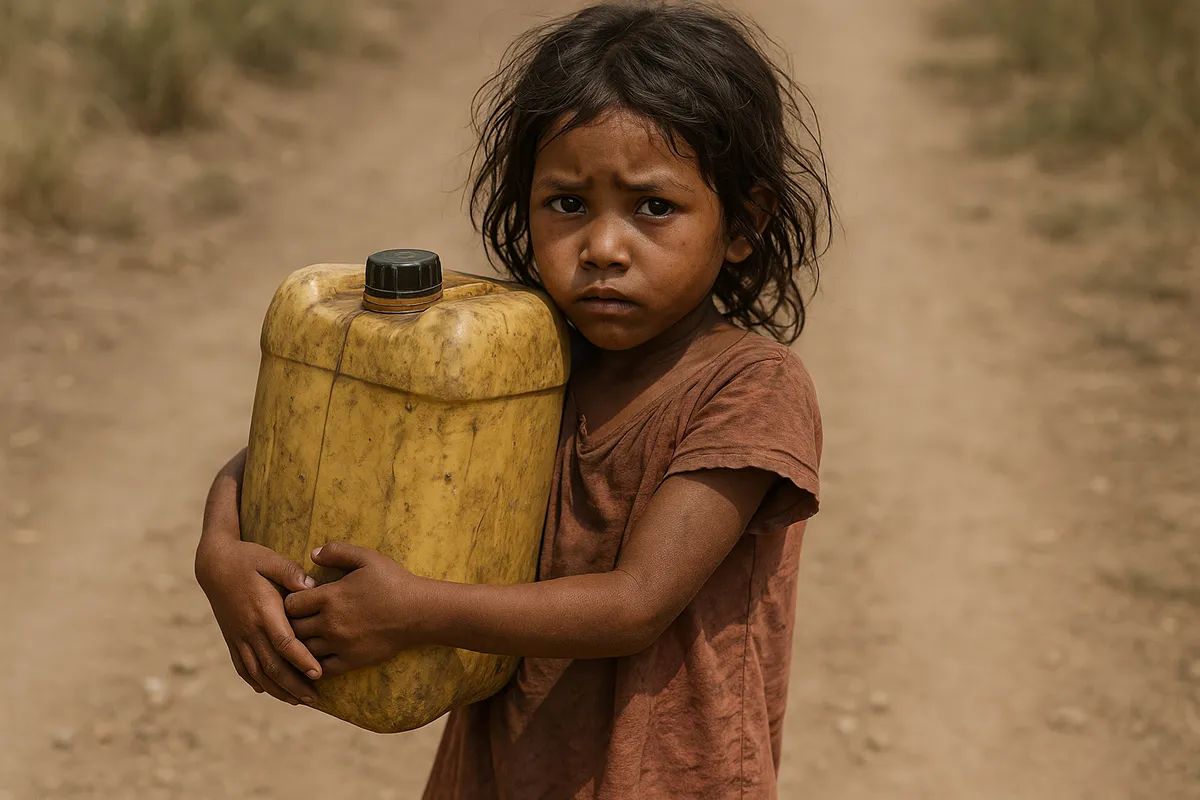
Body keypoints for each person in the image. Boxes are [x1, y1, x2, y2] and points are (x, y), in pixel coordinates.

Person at [194, 2, 831, 796]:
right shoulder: (519, 357)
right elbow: (292, 448)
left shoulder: (750, 386)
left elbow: (636, 604)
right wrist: (219, 553)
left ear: (743, 223)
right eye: (567, 204)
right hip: (499, 772)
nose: (602, 247)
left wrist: (415, 609)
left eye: (653, 207)